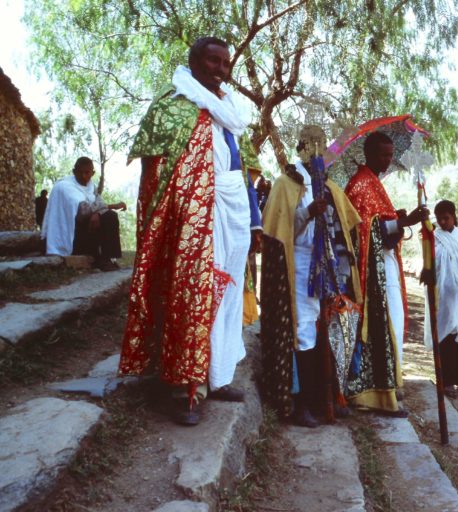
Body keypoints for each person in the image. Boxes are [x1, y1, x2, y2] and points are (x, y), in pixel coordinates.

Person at [118, 37, 263, 426]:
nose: (220, 69)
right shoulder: (174, 105)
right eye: (212, 61)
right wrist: (183, 216)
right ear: (195, 62)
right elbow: (160, 180)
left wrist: (254, 220)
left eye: (225, 62)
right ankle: (185, 388)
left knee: (227, 294)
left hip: (232, 215)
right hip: (194, 219)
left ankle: (217, 376)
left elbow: (244, 169)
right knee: (194, 293)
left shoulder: (230, 110)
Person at [259, 125, 362, 427]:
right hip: (299, 266)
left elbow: (348, 226)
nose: (317, 153)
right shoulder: (285, 185)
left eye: (321, 147)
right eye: (311, 147)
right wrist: (307, 214)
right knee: (303, 332)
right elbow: (277, 231)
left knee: (327, 329)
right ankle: (299, 402)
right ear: (301, 148)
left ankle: (326, 397)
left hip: (328, 268)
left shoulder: (330, 186)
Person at [344, 131, 428, 416]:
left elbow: (380, 223)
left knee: (394, 321)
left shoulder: (375, 184)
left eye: (391, 155)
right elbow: (365, 231)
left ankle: (391, 383)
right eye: (383, 154)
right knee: (384, 323)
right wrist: (405, 220)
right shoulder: (361, 185)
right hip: (373, 274)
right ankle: (376, 392)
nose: (388, 160)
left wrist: (397, 218)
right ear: (368, 154)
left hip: (385, 266)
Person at [425, 200, 458, 398]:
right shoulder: (435, 238)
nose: (442, 222)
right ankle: (446, 382)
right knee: (445, 338)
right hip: (442, 296)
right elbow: (431, 262)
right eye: (439, 219)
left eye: (445, 218)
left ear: (454, 217)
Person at [40, 157, 126, 271]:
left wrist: (98, 213)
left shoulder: (91, 186)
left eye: (87, 173)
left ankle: (107, 259)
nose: (84, 176)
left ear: (93, 173)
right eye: (80, 173)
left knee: (110, 216)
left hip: (87, 231)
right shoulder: (64, 186)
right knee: (105, 214)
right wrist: (112, 206)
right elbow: (83, 211)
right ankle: (99, 258)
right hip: (71, 236)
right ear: (74, 171)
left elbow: (99, 204)